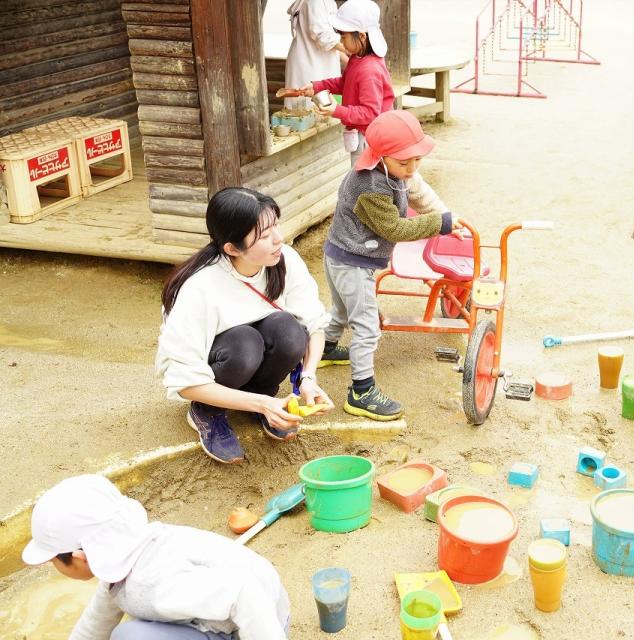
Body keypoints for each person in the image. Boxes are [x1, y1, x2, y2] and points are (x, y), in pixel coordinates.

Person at [156, 187, 335, 465]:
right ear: (232, 248)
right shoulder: (199, 287)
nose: (278, 238)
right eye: (264, 236)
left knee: (290, 331)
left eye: (275, 225)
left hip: (254, 354)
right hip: (226, 358)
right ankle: (208, 410)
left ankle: (260, 395)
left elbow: (313, 325)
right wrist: (263, 405)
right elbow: (185, 381)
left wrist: (308, 378)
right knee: (245, 343)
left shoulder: (284, 259)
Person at [21, 474, 290, 639]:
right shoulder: (126, 554)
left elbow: (244, 593)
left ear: (80, 557)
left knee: (130, 637)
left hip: (259, 621)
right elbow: (95, 624)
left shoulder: (149, 583)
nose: (52, 564)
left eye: (52, 559)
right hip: (256, 607)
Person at [322, 109, 461, 421]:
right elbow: (395, 229)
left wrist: (448, 217)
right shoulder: (370, 185)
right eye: (405, 162)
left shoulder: (394, 169)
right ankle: (361, 392)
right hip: (352, 262)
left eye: (417, 160)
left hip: (343, 255)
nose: (412, 168)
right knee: (367, 327)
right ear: (381, 154)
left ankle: (326, 348)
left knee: (342, 311)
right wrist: (440, 224)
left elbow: (419, 192)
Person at [291, 0, 394, 167]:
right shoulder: (358, 58)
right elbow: (346, 83)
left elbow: (370, 113)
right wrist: (317, 86)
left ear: (362, 36)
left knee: (364, 178)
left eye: (344, 36)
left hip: (371, 137)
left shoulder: (370, 71)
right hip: (362, 132)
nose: (341, 41)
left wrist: (337, 110)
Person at [283, 0, 343, 112]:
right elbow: (324, 37)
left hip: (322, 62)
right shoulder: (315, 2)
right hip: (310, 63)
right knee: (308, 110)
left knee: (328, 109)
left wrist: (352, 59)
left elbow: (332, 42)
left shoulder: (330, 2)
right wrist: (357, 50)